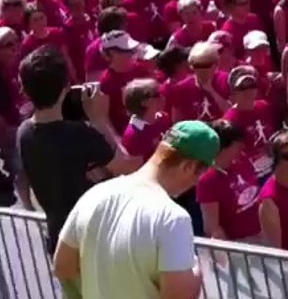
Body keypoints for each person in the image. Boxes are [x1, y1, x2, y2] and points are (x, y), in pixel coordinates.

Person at [52, 121, 217, 299]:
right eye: (201, 174)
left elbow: (62, 266)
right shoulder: (173, 218)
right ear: (188, 166)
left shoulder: (94, 195)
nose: (196, 182)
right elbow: (179, 295)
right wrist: (196, 272)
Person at [16, 46, 139, 253]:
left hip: (60, 239)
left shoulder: (24, 132)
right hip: (93, 240)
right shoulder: (81, 134)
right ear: (66, 86)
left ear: (25, 90)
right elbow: (126, 165)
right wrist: (100, 121)